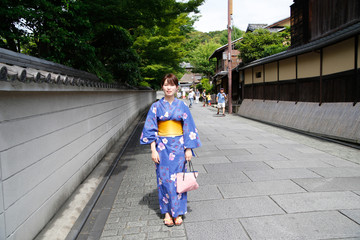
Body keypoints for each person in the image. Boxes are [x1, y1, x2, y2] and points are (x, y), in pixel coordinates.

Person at [140, 73, 201, 227]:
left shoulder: (182, 106)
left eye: (172, 85)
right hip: (162, 148)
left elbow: (189, 128)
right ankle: (167, 212)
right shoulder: (155, 107)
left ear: (176, 87)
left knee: (178, 179)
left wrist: (188, 149)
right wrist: (153, 150)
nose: (169, 88)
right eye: (166, 84)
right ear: (162, 86)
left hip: (179, 147)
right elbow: (150, 130)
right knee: (164, 179)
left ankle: (178, 212)